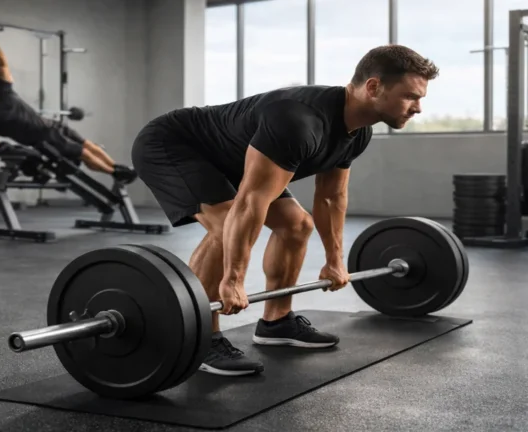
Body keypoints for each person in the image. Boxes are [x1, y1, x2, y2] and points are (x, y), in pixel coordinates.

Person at [131, 45, 439, 376]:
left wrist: (335, 260)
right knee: (225, 228)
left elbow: (331, 198)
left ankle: (276, 322)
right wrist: (233, 279)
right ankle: (203, 337)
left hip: (234, 160)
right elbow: (250, 203)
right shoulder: (299, 120)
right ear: (374, 87)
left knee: (297, 225)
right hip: (174, 144)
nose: (418, 107)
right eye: (411, 97)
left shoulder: (357, 132)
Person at [0, 28, 137, 185]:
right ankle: (115, 174)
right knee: (84, 154)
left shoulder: (2, 91)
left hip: (52, 125)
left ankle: (117, 168)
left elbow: (2, 65)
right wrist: (2, 146)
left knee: (90, 146)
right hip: (44, 139)